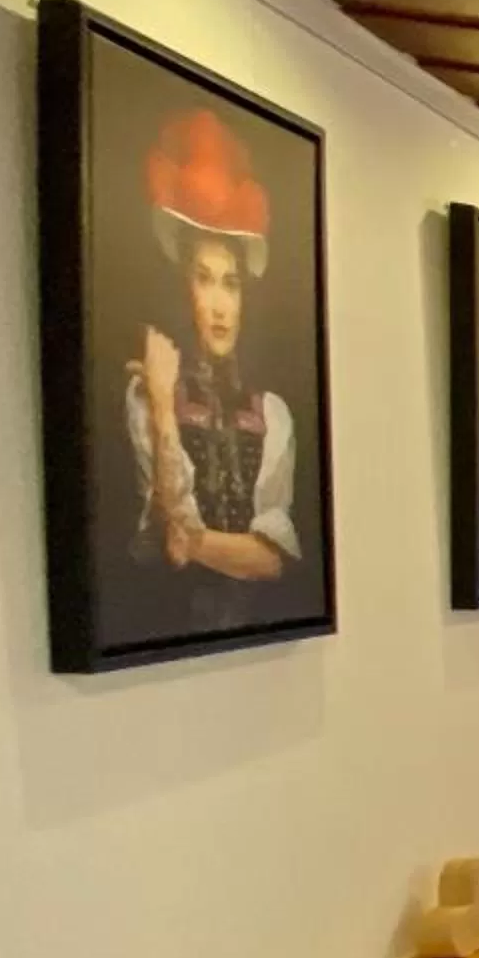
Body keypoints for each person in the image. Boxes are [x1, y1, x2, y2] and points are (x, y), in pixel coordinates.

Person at [126, 109, 297, 630]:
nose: (221, 305)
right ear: (184, 289)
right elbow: (167, 537)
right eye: (204, 279)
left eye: (231, 283)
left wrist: (193, 541)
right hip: (165, 633)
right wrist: (162, 406)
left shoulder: (271, 412)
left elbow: (269, 559)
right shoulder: (148, 394)